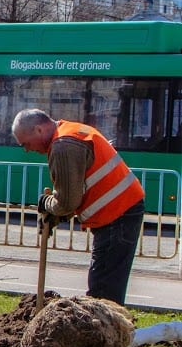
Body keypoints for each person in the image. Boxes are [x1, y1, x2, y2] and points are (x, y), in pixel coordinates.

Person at [11, 109, 145, 306]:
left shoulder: (63, 145)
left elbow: (67, 202)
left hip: (116, 214)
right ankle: (108, 330)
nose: (27, 150)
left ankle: (105, 334)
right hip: (123, 210)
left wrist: (46, 203)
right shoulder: (72, 130)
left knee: (103, 290)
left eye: (26, 143)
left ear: (38, 129)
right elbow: (81, 189)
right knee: (106, 284)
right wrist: (58, 216)